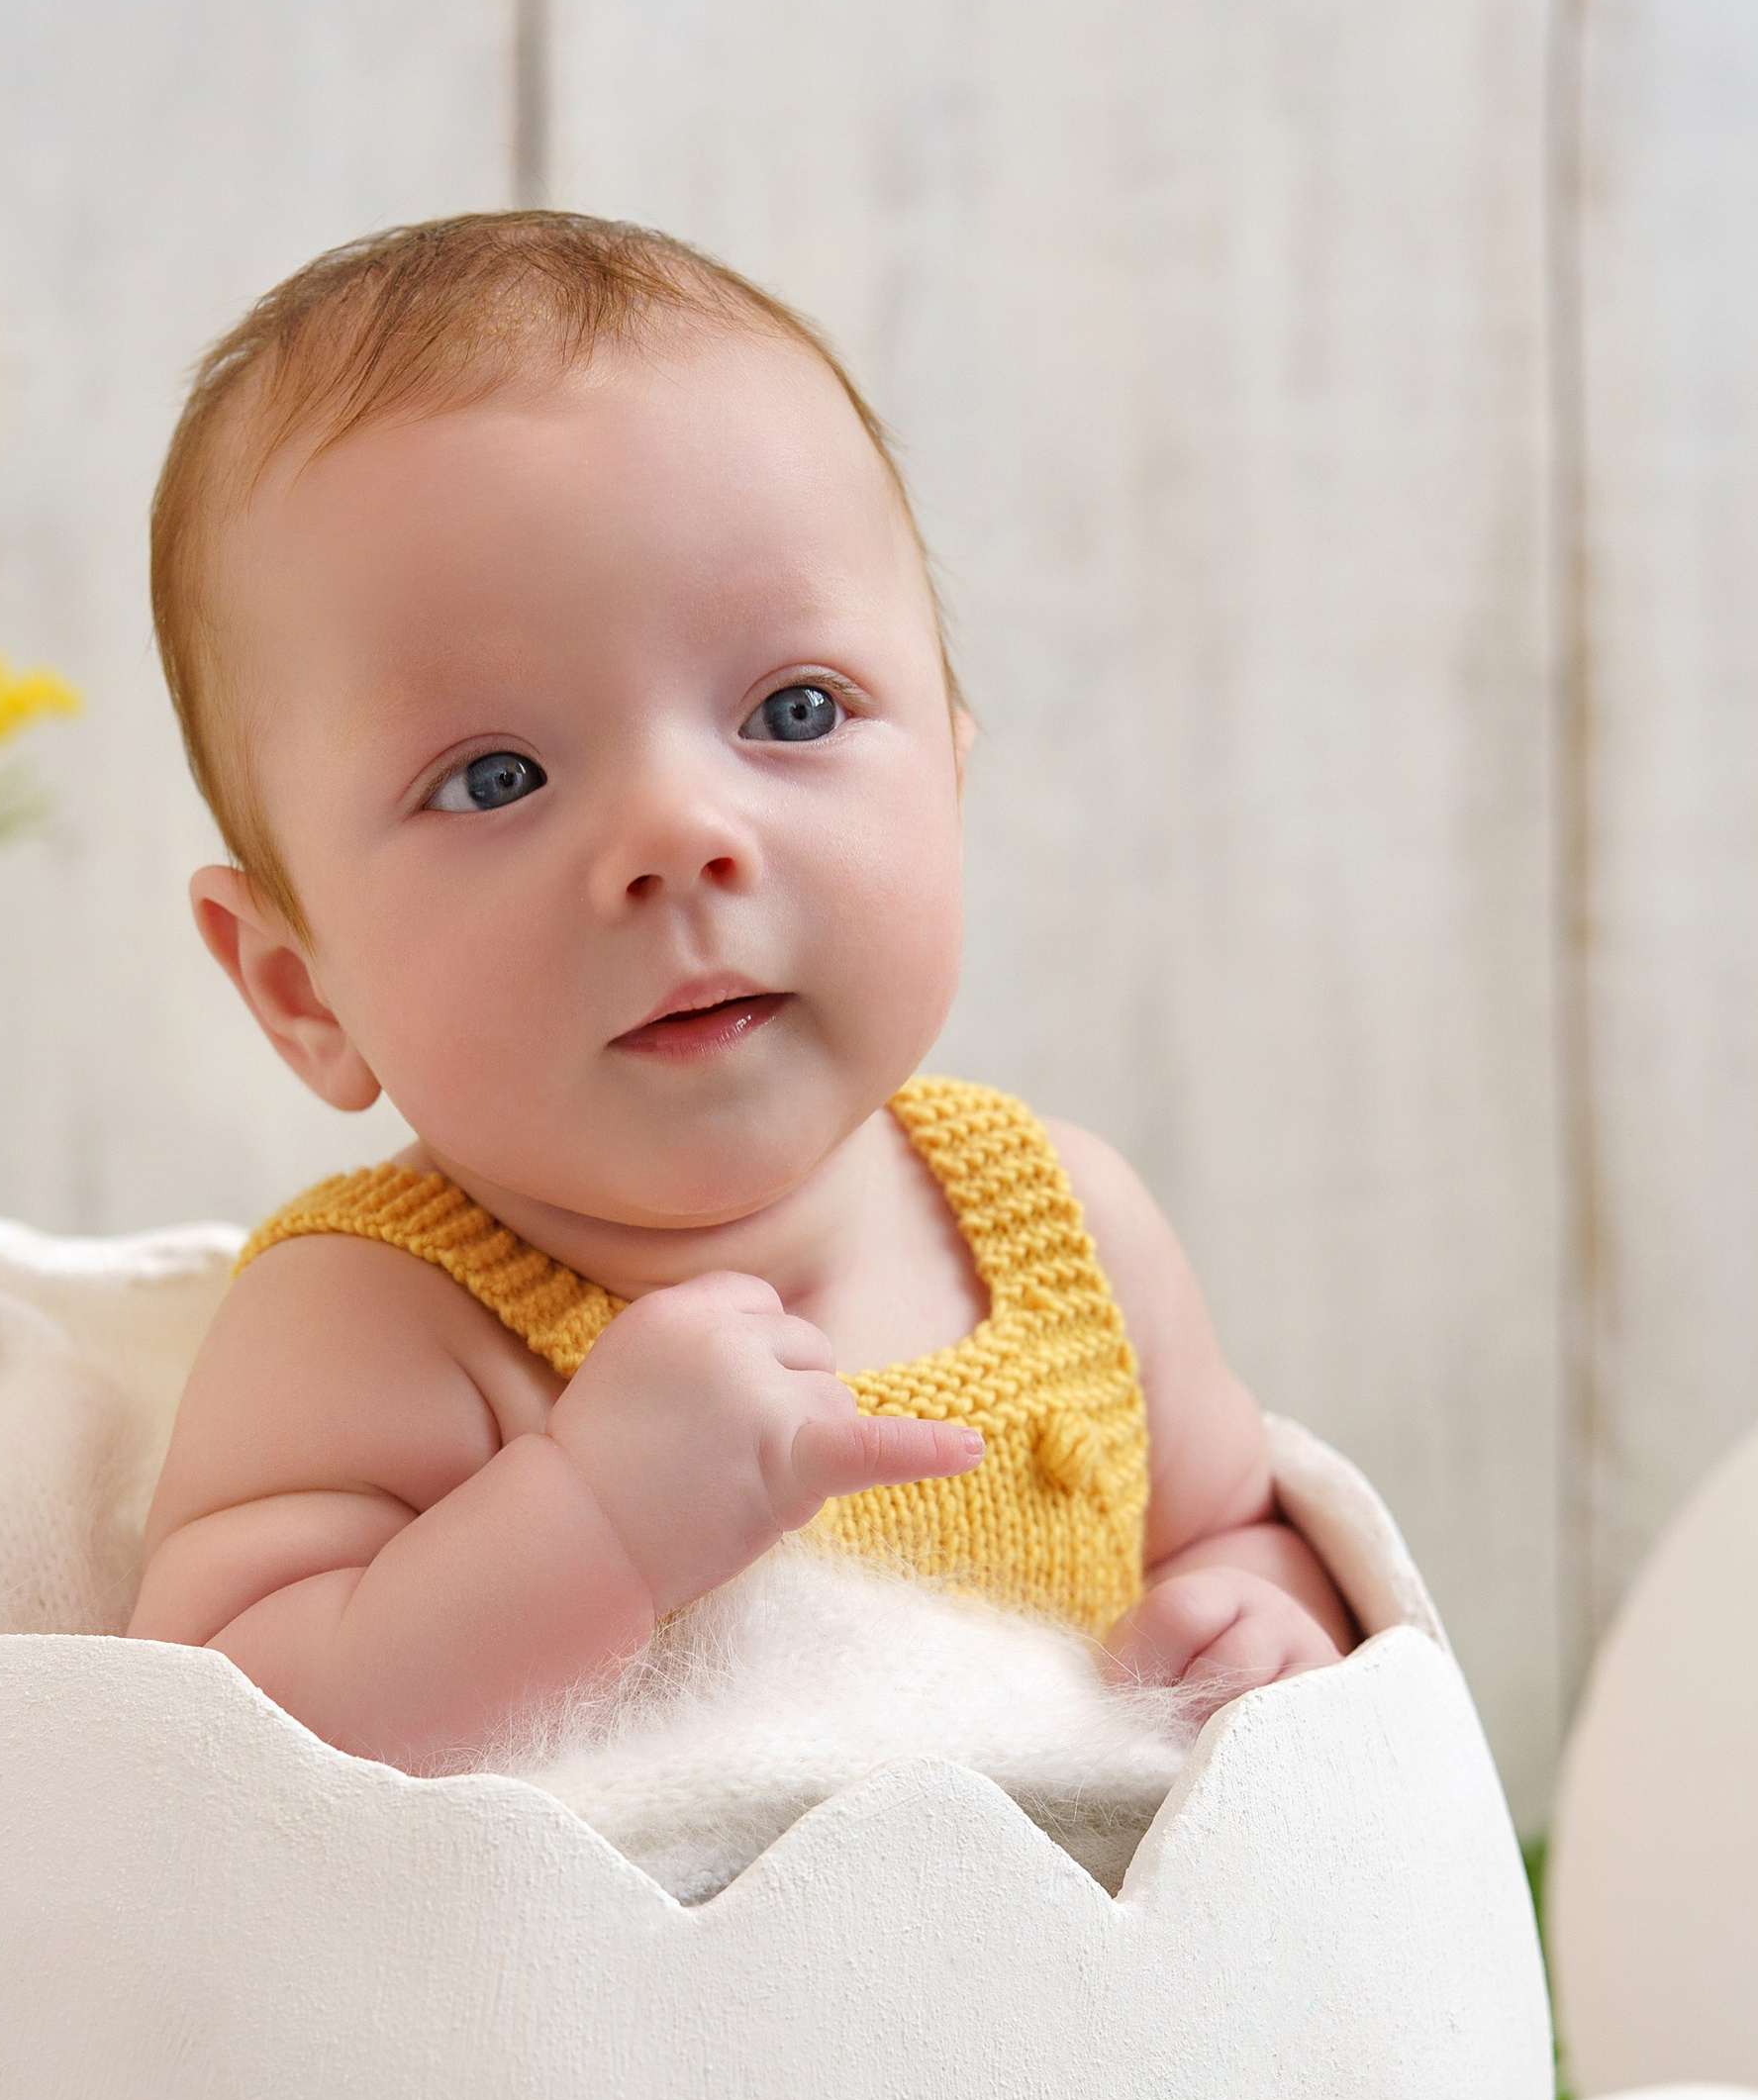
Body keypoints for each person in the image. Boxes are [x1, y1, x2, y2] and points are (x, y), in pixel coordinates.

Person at [127, 212, 1350, 1769]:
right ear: (301, 988)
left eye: (794, 707)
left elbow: (1235, 1526)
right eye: (496, 777)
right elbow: (215, 1746)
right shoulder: (376, 1321)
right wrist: (592, 1523)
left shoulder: (1070, 1234)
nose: (681, 838)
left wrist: (1245, 1620)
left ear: (950, 781)